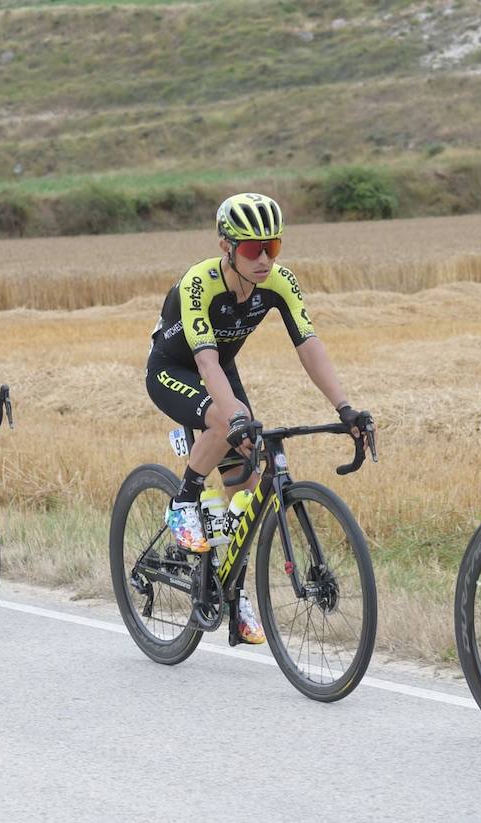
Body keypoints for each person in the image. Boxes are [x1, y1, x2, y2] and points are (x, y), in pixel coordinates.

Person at [146, 192, 373, 644]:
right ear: (226, 247)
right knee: (224, 421)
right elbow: (206, 365)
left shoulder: (278, 283)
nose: (264, 258)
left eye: (273, 246)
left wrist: (344, 408)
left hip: (221, 370)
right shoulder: (199, 283)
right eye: (253, 249)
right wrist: (232, 419)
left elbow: (309, 345)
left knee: (246, 491)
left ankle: (232, 594)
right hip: (176, 369)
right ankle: (183, 502)